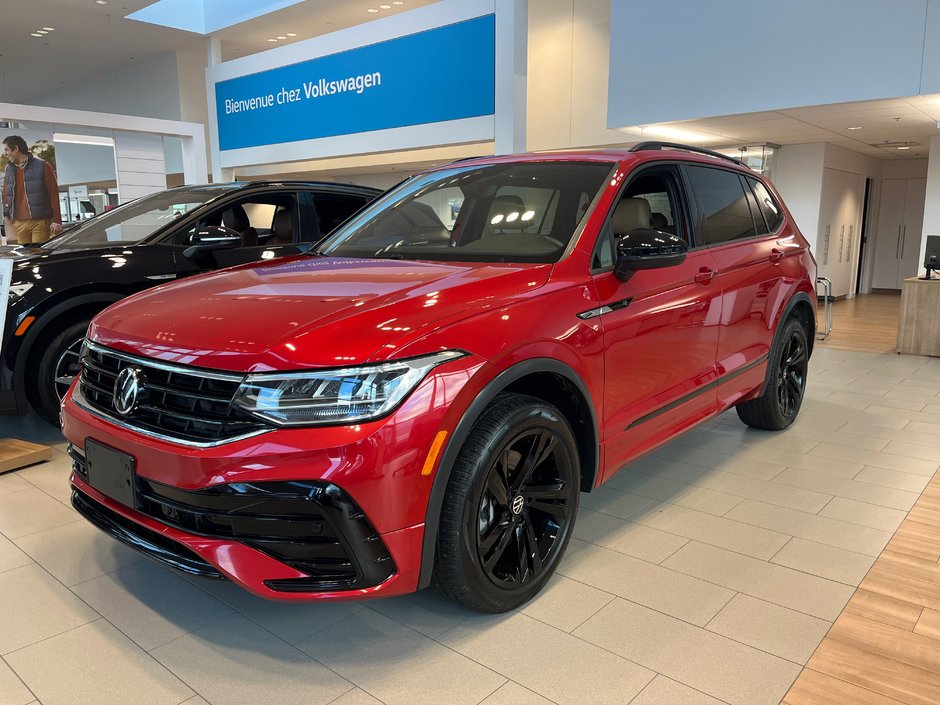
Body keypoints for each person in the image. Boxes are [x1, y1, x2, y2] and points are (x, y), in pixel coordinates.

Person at [2, 135, 62, 245]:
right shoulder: (8, 169)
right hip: (19, 223)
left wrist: (57, 220)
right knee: (25, 257)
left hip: (40, 221)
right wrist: (10, 217)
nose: (5, 153)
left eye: (6, 150)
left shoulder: (43, 166)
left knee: (38, 254)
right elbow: (6, 194)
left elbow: (53, 193)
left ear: (16, 149)